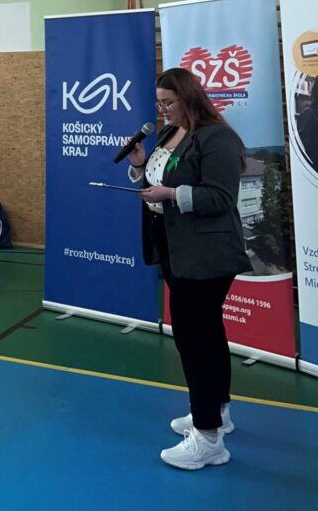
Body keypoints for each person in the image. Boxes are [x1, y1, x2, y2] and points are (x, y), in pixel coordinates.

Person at [127, 66, 251, 471]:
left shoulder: (217, 138)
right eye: (159, 103)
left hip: (207, 253)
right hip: (175, 247)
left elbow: (220, 197)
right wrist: (140, 166)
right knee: (207, 333)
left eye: (169, 102)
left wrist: (170, 194)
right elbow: (158, 178)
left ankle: (208, 438)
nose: (163, 110)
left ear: (189, 97)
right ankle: (217, 412)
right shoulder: (168, 134)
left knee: (194, 340)